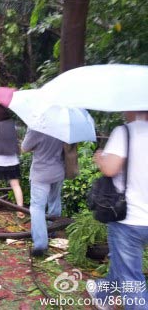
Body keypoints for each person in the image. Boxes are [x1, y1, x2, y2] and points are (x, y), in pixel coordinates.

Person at [88, 111, 148, 309]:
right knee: (122, 261)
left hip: (130, 218)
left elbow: (110, 169)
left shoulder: (125, 132)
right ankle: (103, 292)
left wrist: (100, 158)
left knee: (132, 278)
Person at [21, 129, 64, 257]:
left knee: (37, 207)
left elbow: (24, 148)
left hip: (41, 173)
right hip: (58, 171)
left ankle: (40, 243)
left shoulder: (37, 127)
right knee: (54, 200)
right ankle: (53, 230)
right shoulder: (62, 127)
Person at [0, 104, 24, 218]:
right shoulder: (14, 125)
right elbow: (18, 139)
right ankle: (20, 209)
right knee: (16, 185)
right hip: (13, 160)